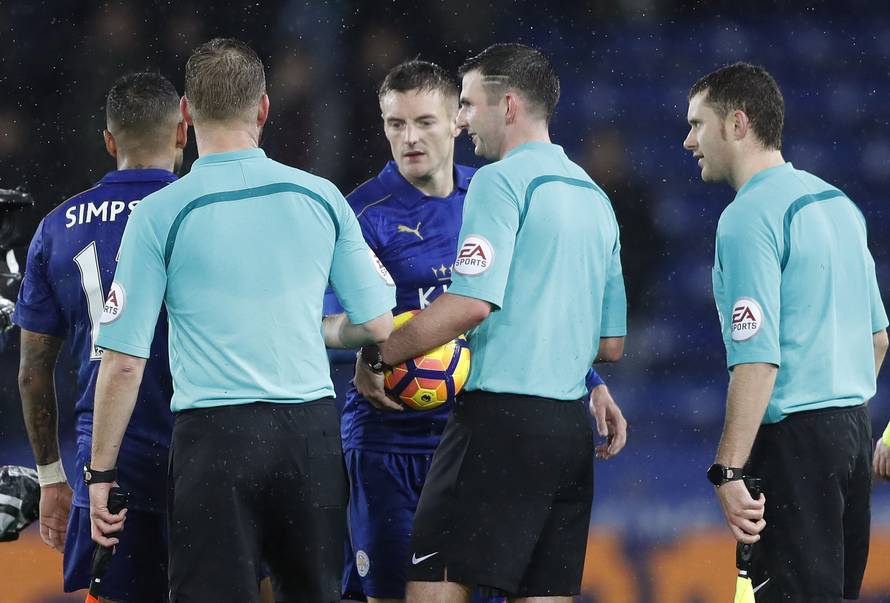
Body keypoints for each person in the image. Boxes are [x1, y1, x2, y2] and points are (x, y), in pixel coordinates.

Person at [87, 38, 395, 603]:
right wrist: (325, 332)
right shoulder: (321, 196)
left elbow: (125, 362)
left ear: (186, 113)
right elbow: (378, 324)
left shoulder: (160, 214)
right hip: (308, 434)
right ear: (264, 108)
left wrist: (100, 474)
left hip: (214, 441)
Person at [330, 59, 619, 603]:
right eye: (395, 124)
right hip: (389, 441)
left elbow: (523, 307)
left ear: (456, 122)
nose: (410, 137)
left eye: (425, 121)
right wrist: (371, 348)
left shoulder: (493, 193)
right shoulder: (361, 214)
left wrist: (589, 380)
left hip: (475, 437)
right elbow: (329, 323)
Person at [683, 62, 889, 601]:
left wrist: (727, 471)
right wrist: (838, 420)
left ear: (736, 123)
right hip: (850, 434)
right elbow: (879, 338)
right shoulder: (838, 203)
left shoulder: (748, 216)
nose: (688, 141)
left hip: (794, 447)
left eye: (697, 124)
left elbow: (758, 360)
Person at [14, 72, 186, 602]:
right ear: (183, 130)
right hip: (206, 452)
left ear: (109, 140)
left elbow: (31, 371)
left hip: (109, 466)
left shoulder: (58, 226)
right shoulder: (202, 213)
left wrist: (50, 476)